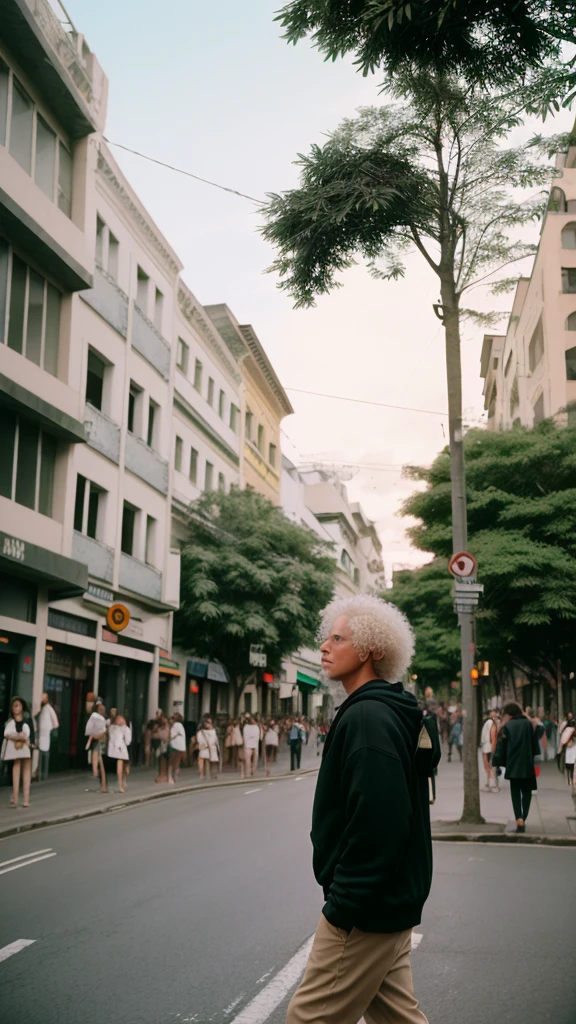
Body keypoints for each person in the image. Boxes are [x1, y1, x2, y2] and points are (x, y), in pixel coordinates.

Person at [286, 594, 439, 1024]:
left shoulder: (368, 717)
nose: (324, 647)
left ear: (371, 649)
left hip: (364, 912)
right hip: (388, 902)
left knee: (307, 1019)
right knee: (398, 1019)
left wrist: (343, 906)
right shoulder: (383, 711)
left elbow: (380, 825)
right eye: (326, 638)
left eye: (337, 638)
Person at [492, 702, 540, 833]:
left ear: (509, 714)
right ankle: (524, 817)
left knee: (515, 792)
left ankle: (519, 819)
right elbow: (535, 743)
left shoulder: (507, 726)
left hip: (513, 764)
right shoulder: (527, 724)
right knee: (527, 792)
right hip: (527, 763)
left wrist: (497, 762)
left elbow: (501, 746)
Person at [3, 696, 34, 807]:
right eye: (14, 705)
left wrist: (31, 744)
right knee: (15, 770)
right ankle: (15, 797)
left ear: (22, 707)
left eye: (18, 705)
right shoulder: (10, 720)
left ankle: (26, 799)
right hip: (15, 748)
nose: (15, 708)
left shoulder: (27, 719)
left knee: (26, 771)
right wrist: (18, 738)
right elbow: (7, 734)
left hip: (26, 747)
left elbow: (31, 734)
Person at [85, 699, 107, 793]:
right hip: (99, 741)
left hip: (100, 741)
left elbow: (91, 730)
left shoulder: (98, 717)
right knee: (99, 760)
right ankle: (102, 784)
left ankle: (103, 785)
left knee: (100, 761)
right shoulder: (97, 717)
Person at [36, 692, 59, 781]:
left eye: (44, 697)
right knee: (41, 754)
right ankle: (40, 774)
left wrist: (51, 730)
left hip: (46, 735)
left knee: (44, 754)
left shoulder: (48, 708)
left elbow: (55, 722)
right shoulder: (42, 709)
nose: (42, 699)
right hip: (41, 734)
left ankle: (43, 775)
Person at [107, 714, 131, 792]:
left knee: (121, 767)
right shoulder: (125, 729)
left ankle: (121, 783)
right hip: (121, 750)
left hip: (112, 751)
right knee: (121, 767)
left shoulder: (111, 728)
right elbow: (128, 741)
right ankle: (121, 785)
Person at [480, 710, 499, 791]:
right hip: (489, 747)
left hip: (486, 747)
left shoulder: (488, 723)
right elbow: (493, 737)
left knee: (487, 767)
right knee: (490, 767)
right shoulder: (491, 724)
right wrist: (493, 749)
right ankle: (492, 784)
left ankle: (489, 784)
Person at [169, 712, 186, 784]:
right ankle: (175, 777)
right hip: (181, 747)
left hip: (175, 746)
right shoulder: (181, 726)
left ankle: (171, 778)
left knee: (171, 763)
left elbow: (171, 736)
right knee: (177, 763)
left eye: (172, 718)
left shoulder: (175, 726)